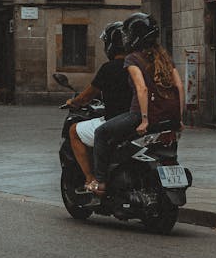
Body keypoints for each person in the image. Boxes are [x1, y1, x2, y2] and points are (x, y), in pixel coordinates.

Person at [89, 13, 184, 197]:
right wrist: (178, 118)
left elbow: (142, 89)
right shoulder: (164, 57)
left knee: (101, 133)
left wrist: (144, 120)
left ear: (134, 37)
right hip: (167, 118)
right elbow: (179, 86)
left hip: (140, 114)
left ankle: (100, 182)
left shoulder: (132, 59)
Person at [65, 21, 132, 191]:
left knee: (74, 131)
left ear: (110, 45)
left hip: (116, 121)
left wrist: (73, 102)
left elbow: (88, 95)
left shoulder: (109, 68)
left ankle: (90, 179)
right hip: (136, 120)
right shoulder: (139, 66)